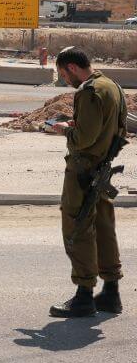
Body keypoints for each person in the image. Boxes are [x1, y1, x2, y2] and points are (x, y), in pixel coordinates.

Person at [47, 47, 126, 317]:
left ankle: (83, 295)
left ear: (71, 67)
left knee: (77, 226)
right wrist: (78, 125)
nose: (65, 81)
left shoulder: (88, 91)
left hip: (84, 170)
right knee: (104, 227)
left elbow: (83, 138)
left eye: (63, 75)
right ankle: (111, 292)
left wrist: (66, 130)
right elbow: (114, 128)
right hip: (102, 169)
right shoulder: (111, 85)